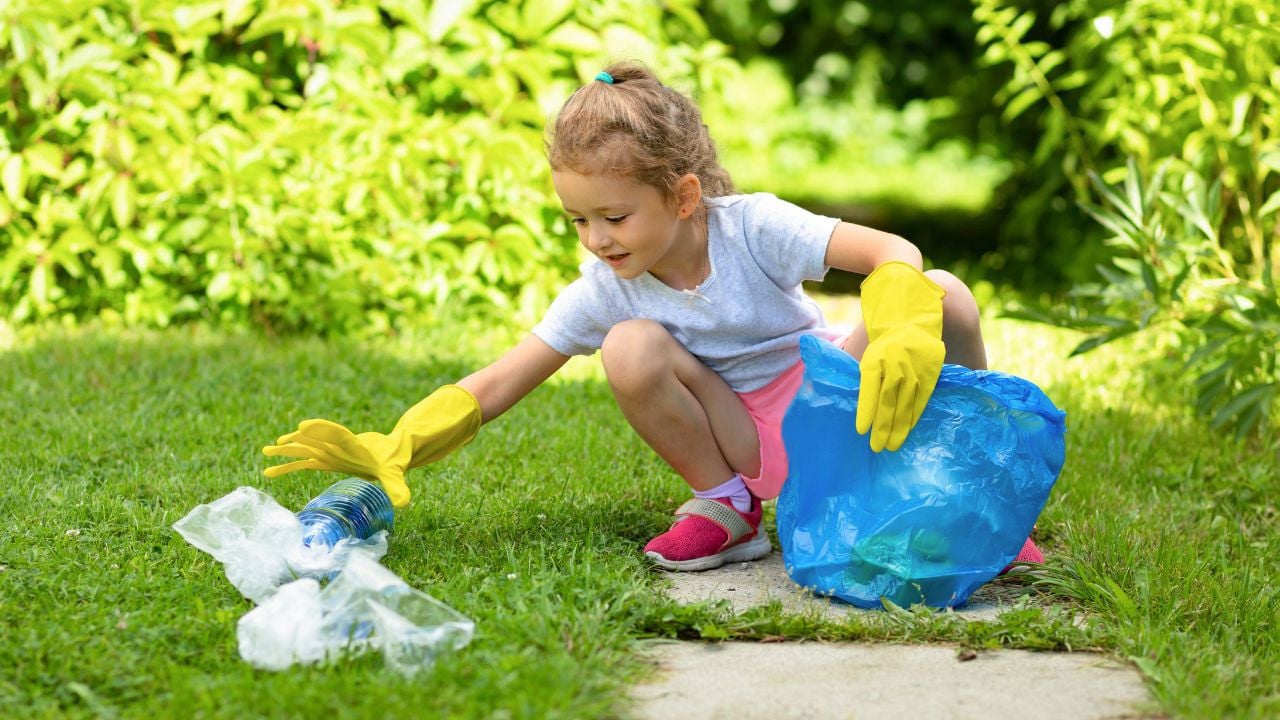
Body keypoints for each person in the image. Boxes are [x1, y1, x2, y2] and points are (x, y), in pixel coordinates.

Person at [262, 62, 1043, 573]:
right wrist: (400, 443)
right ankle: (729, 510)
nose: (597, 240)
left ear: (682, 197)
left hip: (836, 393)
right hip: (748, 438)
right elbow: (507, 374)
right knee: (629, 347)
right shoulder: (609, 286)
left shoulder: (753, 225)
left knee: (943, 290)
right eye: (578, 221)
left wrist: (904, 324)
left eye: (613, 216)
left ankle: (977, 482)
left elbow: (890, 248)